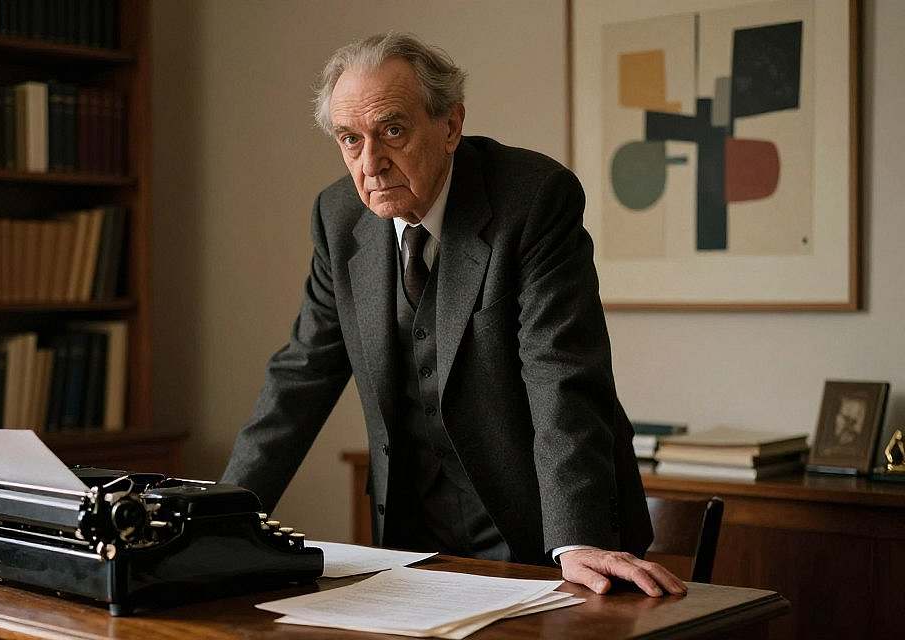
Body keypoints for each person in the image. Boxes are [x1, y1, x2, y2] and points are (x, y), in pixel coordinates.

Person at [222, 32, 685, 597]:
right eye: (350, 139)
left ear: (450, 125)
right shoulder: (338, 216)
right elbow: (301, 376)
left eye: (392, 130)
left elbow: (560, 372)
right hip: (413, 548)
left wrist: (579, 538)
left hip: (545, 537)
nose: (371, 163)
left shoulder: (534, 199)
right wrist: (216, 522)